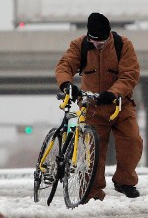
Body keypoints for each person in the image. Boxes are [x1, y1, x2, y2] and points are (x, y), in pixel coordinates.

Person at [55, 12, 143, 201]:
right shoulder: (79, 45)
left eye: (101, 43)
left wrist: (112, 93)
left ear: (108, 35)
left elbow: (130, 74)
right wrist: (66, 84)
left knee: (132, 141)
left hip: (120, 105)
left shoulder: (123, 45)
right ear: (88, 36)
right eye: (94, 42)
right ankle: (92, 191)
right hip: (93, 107)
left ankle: (124, 181)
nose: (97, 45)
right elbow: (65, 65)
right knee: (92, 152)